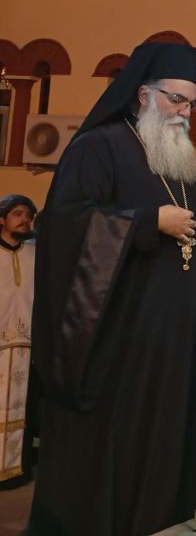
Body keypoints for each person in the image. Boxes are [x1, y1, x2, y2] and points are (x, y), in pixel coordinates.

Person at [28, 42, 196, 536]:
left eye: (191, 104)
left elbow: (193, 244)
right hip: (118, 344)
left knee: (162, 439)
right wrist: (145, 222)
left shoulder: (180, 163)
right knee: (115, 446)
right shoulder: (98, 146)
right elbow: (65, 226)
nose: (185, 113)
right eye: (176, 100)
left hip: (171, 343)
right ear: (143, 95)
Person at [0, 194, 37, 486]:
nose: (25, 220)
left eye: (29, 215)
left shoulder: (35, 253)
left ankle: (17, 472)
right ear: (2, 219)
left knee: (24, 409)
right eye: (18, 214)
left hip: (26, 348)